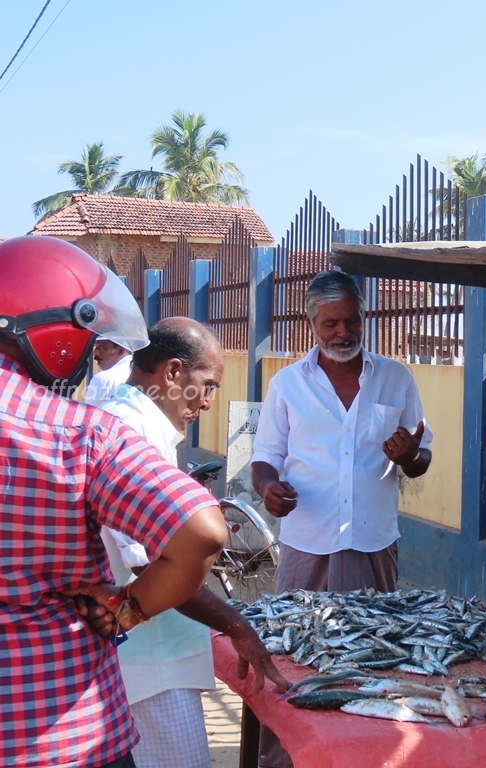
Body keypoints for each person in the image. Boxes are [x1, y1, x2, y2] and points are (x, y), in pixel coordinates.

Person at [0, 235, 227, 768]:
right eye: (88, 338)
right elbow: (202, 533)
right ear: (57, 333)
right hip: (56, 730)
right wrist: (129, 609)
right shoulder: (79, 433)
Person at [250, 267, 433, 768]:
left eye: (352, 321)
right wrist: (268, 488)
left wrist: (408, 455)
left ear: (363, 317)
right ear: (312, 324)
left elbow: (421, 459)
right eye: (331, 323)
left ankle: (364, 755)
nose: (343, 333)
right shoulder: (288, 384)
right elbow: (264, 458)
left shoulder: (396, 378)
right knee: (295, 660)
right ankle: (288, 758)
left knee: (373, 659)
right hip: (307, 546)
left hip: (375, 546)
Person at [96, 317, 289, 768]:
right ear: (172, 372)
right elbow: (152, 564)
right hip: (150, 663)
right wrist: (236, 626)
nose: (206, 401)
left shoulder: (131, 422)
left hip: (140, 650)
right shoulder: (132, 431)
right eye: (206, 385)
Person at [85, 337, 133, 404]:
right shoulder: (139, 372)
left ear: (120, 350)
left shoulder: (102, 379)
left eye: (102, 347)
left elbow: (89, 413)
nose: (95, 353)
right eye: (96, 346)